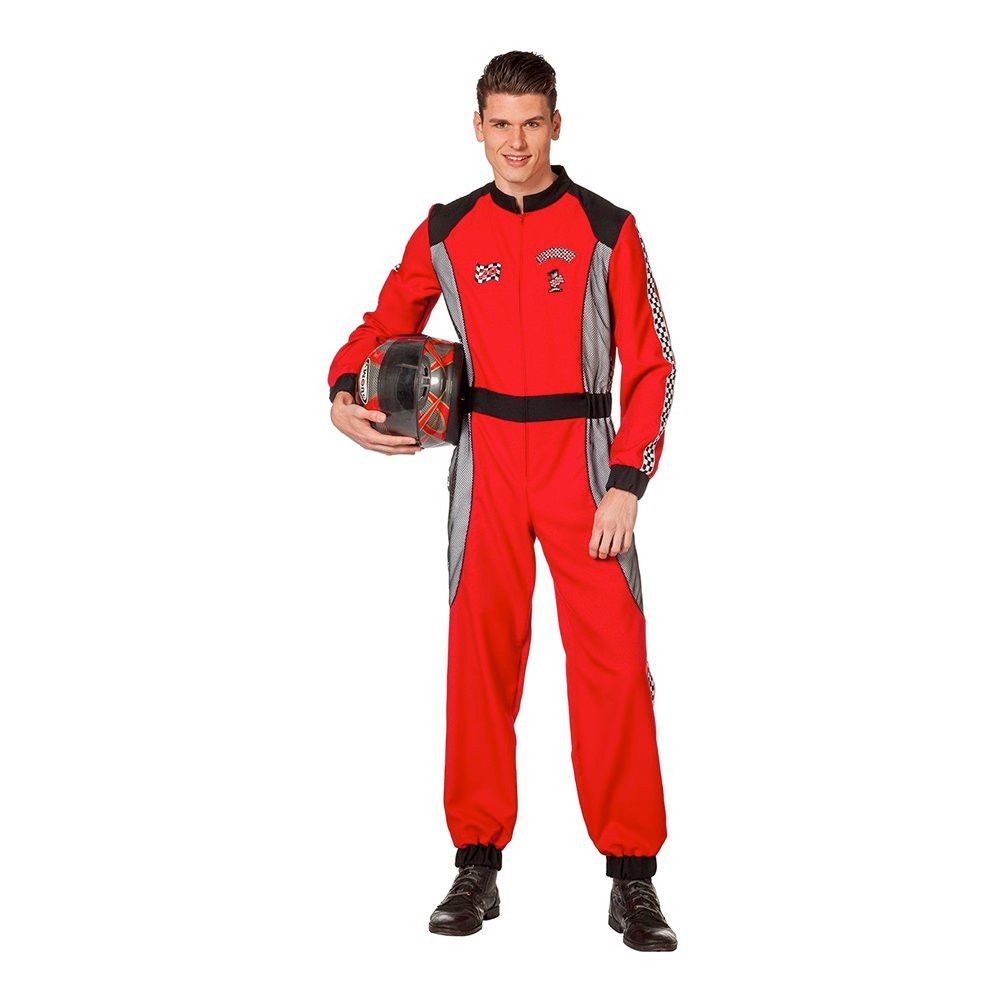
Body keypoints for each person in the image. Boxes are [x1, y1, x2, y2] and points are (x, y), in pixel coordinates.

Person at [327, 51, 677, 952]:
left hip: (582, 464)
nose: (516, 143)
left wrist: (627, 482)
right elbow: (384, 325)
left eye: (531, 123)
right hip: (485, 461)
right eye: (500, 124)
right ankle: (476, 864)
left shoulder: (607, 229)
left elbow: (654, 366)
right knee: (479, 661)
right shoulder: (448, 230)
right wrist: (342, 389)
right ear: (476, 127)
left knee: (612, 663)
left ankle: (633, 878)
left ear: (556, 124)